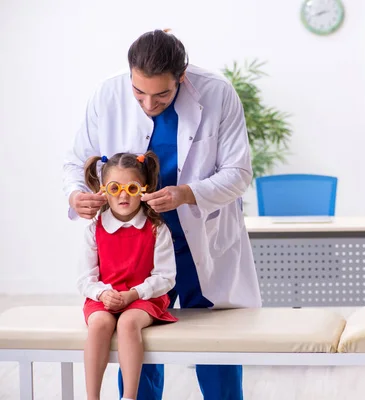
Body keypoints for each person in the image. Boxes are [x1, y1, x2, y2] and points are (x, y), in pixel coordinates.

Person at [63, 29, 261, 400]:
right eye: (139, 92)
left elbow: (238, 173)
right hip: (134, 241)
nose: (148, 104)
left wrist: (187, 193)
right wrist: (76, 195)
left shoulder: (217, 93)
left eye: (161, 95)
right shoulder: (108, 94)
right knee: (136, 332)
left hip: (199, 238)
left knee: (213, 341)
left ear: (181, 78)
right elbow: (77, 162)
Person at [77, 151, 178, 400]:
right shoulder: (94, 230)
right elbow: (84, 278)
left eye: (131, 188)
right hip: (106, 297)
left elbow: (166, 277)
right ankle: (93, 397)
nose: (123, 195)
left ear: (142, 189)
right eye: (115, 187)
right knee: (99, 323)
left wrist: (134, 293)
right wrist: (103, 293)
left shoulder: (156, 228)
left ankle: (129, 397)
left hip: (143, 298)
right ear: (104, 191)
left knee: (128, 323)